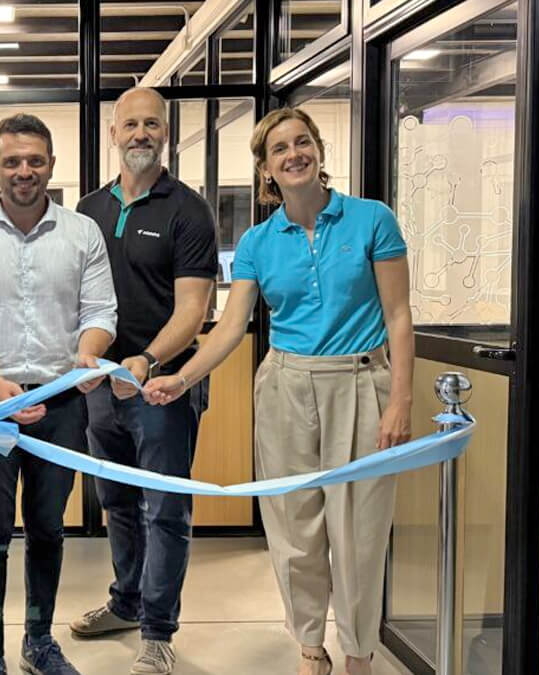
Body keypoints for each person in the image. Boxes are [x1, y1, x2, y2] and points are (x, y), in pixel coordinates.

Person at [143, 107, 414, 675]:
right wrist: (180, 376)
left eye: (302, 142)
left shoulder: (371, 220)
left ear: (318, 149)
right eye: (279, 149)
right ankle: (312, 647)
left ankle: (360, 652)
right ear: (266, 169)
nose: (294, 154)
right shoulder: (258, 243)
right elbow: (231, 326)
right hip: (286, 387)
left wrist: (400, 401)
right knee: (294, 530)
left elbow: (398, 315)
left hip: (362, 382)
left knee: (360, 532)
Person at [0, 113, 118, 675]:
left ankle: (38, 640)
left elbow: (100, 312)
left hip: (61, 406)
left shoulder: (81, 233)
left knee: (47, 530)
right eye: (12, 161)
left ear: (51, 167)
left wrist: (88, 355)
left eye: (35, 160)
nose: (24, 171)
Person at [69, 87, 217, 675]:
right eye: (130, 124)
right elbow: (75, 299)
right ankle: (126, 602)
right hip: (102, 385)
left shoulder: (189, 209)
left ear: (167, 133)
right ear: (113, 133)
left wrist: (148, 363)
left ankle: (158, 631)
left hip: (162, 388)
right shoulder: (87, 210)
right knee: (118, 502)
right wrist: (85, 360)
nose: (140, 134)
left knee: (165, 509)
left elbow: (193, 309)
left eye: (151, 124)